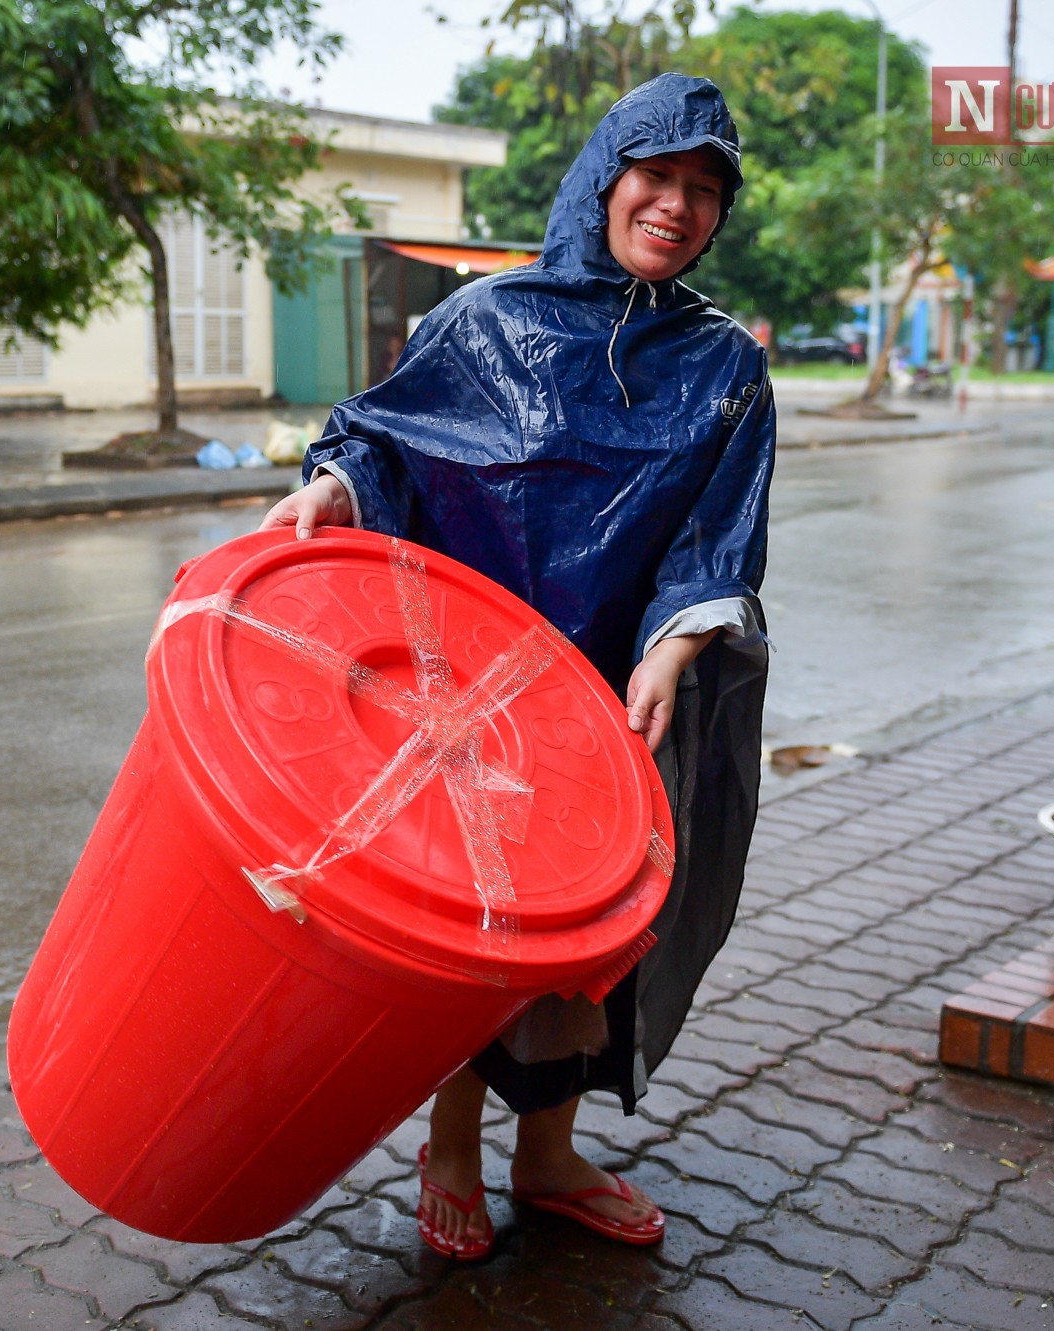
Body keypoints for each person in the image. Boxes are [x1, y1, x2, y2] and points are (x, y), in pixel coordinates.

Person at [259, 73, 772, 1259]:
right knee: (469, 931)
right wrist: (339, 485)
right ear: (605, 177)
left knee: (582, 949)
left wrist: (676, 639)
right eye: (657, 177)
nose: (677, 206)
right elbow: (390, 439)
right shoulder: (484, 320)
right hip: (464, 693)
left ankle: (544, 1155)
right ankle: (450, 1146)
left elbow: (718, 536)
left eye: (705, 191)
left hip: (612, 699)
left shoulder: (722, 367)